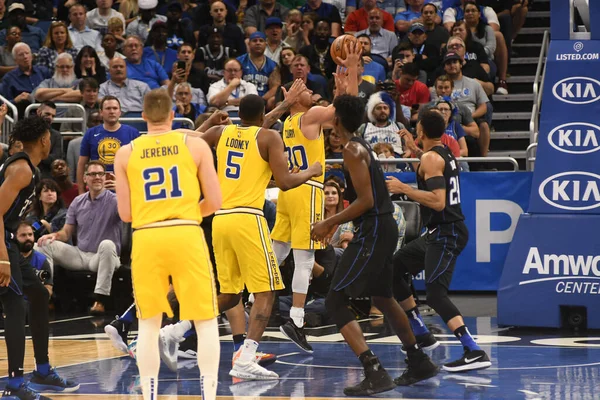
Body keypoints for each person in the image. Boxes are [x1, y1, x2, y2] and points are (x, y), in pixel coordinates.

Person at [311, 95, 438, 396]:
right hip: (382, 225)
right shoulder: (359, 141)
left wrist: (328, 222)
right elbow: (348, 101)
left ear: (337, 120)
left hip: (373, 228)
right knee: (383, 296)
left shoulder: (353, 150)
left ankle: (374, 371)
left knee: (335, 301)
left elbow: (365, 200)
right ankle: (418, 360)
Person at [199, 83, 322, 380]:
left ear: (237, 114)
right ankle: (247, 357)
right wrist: (311, 170)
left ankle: (175, 331)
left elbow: (195, 143)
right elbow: (286, 182)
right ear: (264, 113)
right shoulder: (269, 136)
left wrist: (211, 120)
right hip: (247, 218)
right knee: (266, 292)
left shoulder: (222, 133)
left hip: (220, 218)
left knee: (228, 294)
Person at [113, 88, 222, 400]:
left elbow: (125, 213)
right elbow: (214, 201)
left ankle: (148, 396)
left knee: (148, 322)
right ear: (173, 115)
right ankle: (209, 396)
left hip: (147, 235)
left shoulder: (126, 153)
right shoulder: (196, 145)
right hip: (186, 231)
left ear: (143, 116)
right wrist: (187, 214)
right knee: (205, 320)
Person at [271, 43, 361, 353]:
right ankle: (295, 320)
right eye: (307, 91)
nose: (311, 91)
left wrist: (336, 95)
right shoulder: (308, 116)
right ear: (297, 101)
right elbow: (348, 111)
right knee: (305, 261)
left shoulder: (288, 124)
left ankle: (249, 298)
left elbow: (337, 110)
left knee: (276, 255)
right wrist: (349, 73)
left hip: (287, 194)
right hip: (307, 191)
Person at [386, 110, 492, 372]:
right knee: (395, 268)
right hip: (438, 231)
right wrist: (413, 148)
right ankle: (420, 332)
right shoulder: (441, 152)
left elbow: (438, 200)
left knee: (435, 294)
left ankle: (473, 350)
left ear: (421, 130)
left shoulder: (432, 158)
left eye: (417, 127)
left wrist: (404, 189)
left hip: (447, 231)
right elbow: (430, 164)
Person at [0, 116, 79, 399]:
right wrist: (3, 259)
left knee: (37, 296)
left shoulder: (27, 167)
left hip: (7, 241)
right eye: (49, 136)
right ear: (45, 140)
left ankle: (43, 371)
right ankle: (15, 384)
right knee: (15, 304)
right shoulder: (21, 169)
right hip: (1, 246)